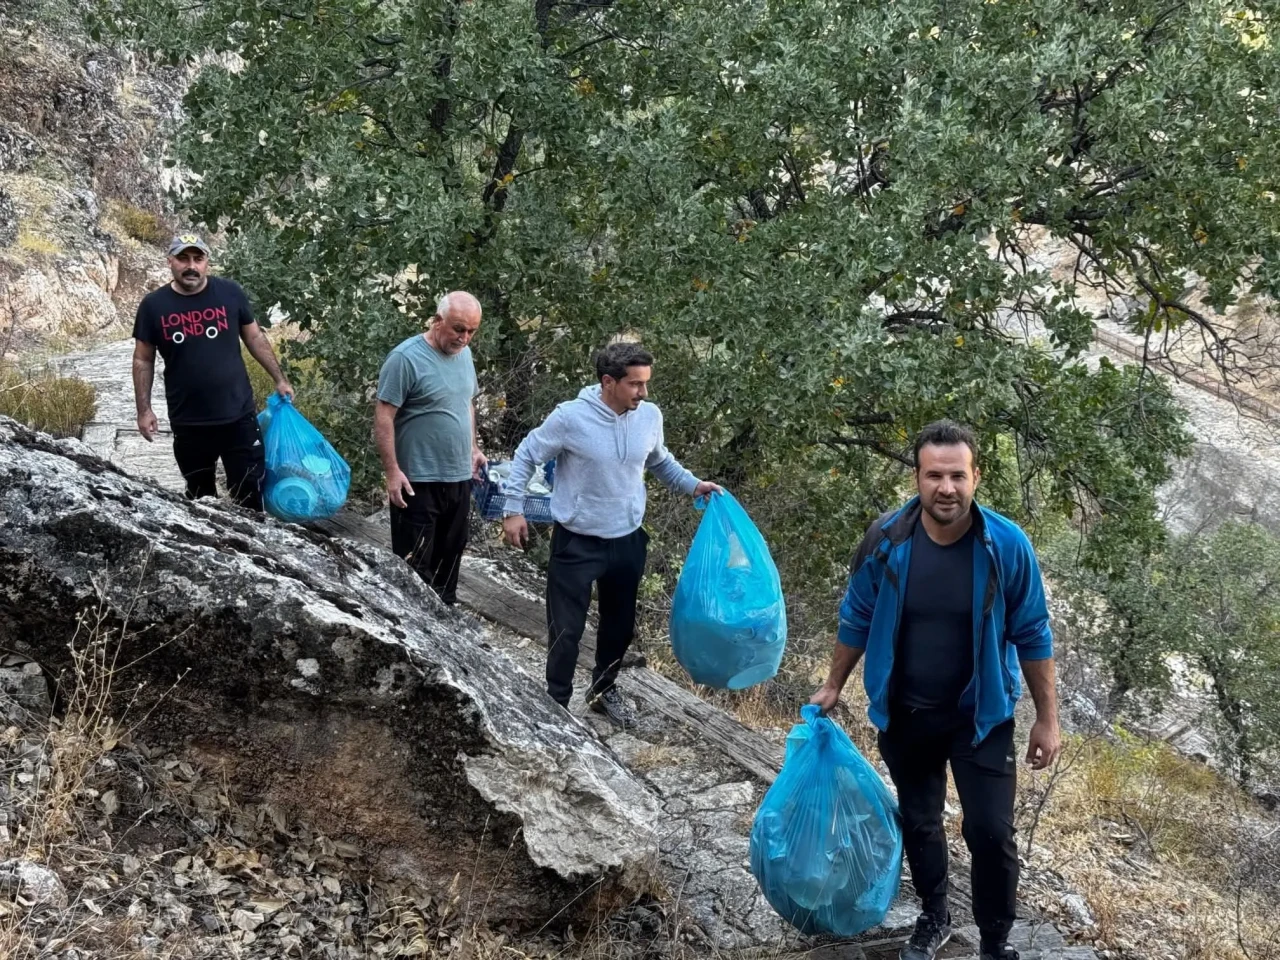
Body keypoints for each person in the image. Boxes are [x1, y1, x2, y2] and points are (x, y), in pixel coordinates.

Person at [810, 420, 1061, 960]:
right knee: (920, 821)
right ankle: (933, 915)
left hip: (982, 717)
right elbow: (857, 615)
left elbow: (1033, 631)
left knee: (991, 832)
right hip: (907, 713)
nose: (946, 487)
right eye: (933, 475)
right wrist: (833, 684)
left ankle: (995, 943)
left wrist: (1047, 718)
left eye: (957, 475)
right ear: (917, 478)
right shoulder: (886, 540)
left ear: (976, 477)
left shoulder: (1006, 545)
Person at [501, 342, 722, 726]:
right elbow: (527, 454)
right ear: (608, 382)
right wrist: (512, 509)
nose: (644, 392)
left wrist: (692, 485)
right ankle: (556, 704)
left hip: (627, 539)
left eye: (646, 383)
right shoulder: (570, 418)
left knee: (619, 627)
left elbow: (658, 459)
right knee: (566, 630)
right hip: (577, 540)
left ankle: (603, 690)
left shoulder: (649, 416)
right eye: (635, 384)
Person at [132, 233, 293, 511]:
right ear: (170, 261)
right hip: (190, 423)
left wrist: (280, 379)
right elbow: (143, 360)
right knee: (200, 499)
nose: (191, 265)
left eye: (198, 258)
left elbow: (255, 338)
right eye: (183, 258)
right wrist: (144, 410)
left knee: (249, 494)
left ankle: (251, 551)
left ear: (207, 262)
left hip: (239, 417)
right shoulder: (153, 306)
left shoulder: (230, 293)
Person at [375, 292, 487, 606]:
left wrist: (473, 448)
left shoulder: (463, 354)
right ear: (437, 321)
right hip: (417, 480)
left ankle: (445, 631)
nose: (465, 338)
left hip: (458, 476)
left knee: (449, 560)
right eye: (458, 329)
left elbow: (465, 402)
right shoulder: (405, 358)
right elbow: (384, 416)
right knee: (414, 570)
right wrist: (392, 471)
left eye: (471, 331)